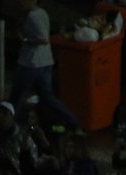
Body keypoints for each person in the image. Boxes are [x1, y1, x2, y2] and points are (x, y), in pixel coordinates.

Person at [11, 0, 79, 131]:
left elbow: (43, 39)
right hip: (46, 61)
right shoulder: (42, 13)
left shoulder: (33, 16)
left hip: (31, 62)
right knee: (47, 97)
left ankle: (11, 127)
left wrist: (25, 40)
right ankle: (73, 121)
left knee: (17, 95)